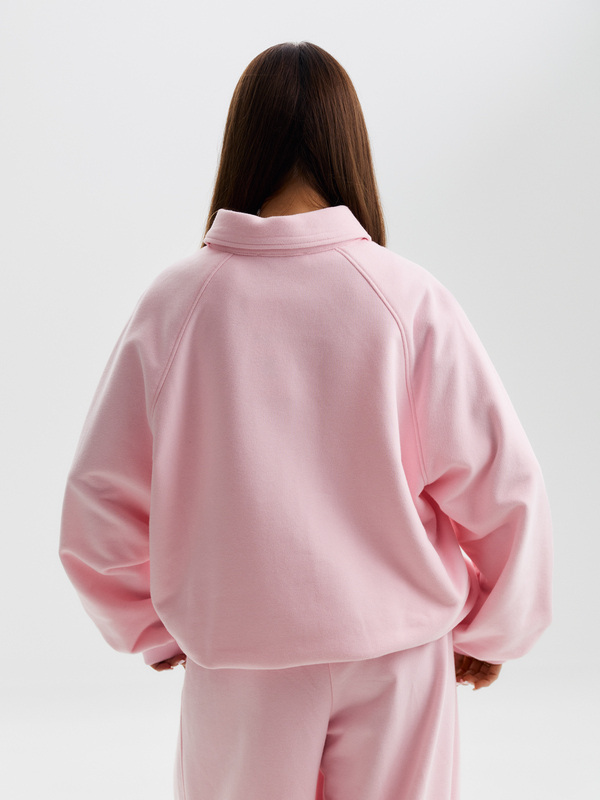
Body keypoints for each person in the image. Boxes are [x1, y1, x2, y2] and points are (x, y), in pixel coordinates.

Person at [58, 41, 553, 800]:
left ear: (242, 144)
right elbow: (505, 486)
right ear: (347, 145)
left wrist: (150, 628)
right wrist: (496, 630)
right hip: (398, 659)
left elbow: (98, 502)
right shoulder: (406, 299)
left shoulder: (176, 306)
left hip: (240, 663)